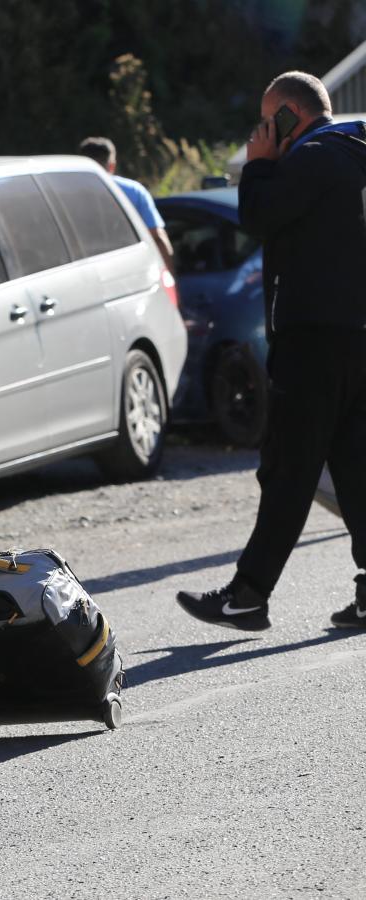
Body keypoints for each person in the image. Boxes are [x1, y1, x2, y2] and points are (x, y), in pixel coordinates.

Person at [176, 71, 366, 631]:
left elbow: (256, 217)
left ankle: (247, 595)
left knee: (288, 468)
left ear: (289, 115)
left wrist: (259, 162)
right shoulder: (356, 151)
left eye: (266, 120)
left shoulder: (311, 159)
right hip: (359, 336)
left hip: (314, 340)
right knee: (356, 469)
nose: (260, 131)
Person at [77, 136, 174, 271]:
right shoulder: (133, 191)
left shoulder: (62, 193)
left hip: (84, 273)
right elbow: (157, 238)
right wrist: (169, 278)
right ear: (112, 165)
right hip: (130, 271)